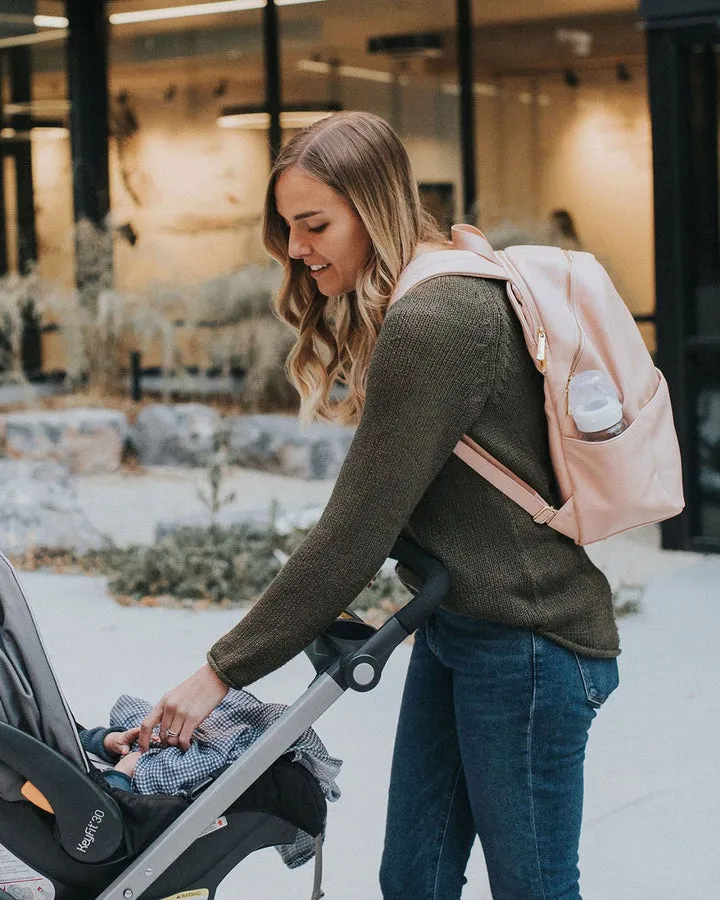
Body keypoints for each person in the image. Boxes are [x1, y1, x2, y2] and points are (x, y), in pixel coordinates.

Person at [138, 111, 619, 899]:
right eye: (288, 228)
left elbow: (358, 528)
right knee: (414, 880)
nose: (296, 249)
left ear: (375, 206)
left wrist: (221, 671)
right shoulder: (427, 296)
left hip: (529, 646)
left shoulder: (437, 317)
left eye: (315, 224)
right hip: (462, 628)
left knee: (533, 887)